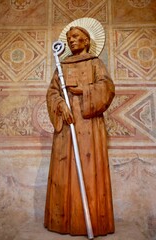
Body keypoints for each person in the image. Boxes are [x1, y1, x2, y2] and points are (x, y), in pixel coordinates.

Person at [44, 23, 115, 237]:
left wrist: (85, 90)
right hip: (67, 127)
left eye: (76, 37)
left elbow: (108, 88)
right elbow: (52, 92)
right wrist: (61, 105)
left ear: (86, 40)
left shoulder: (95, 64)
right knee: (64, 169)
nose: (71, 41)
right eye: (69, 38)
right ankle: (62, 221)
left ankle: (93, 222)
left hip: (89, 126)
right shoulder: (62, 65)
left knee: (89, 167)